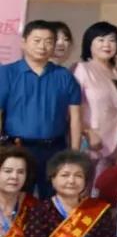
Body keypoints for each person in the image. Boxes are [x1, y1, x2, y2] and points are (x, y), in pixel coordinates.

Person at [0, 21, 81, 198]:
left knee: (53, 199)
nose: (42, 46)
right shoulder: (6, 73)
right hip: (17, 148)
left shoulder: (64, 76)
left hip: (55, 149)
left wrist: (74, 154)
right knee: (17, 198)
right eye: (37, 41)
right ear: (23, 42)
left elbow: (75, 117)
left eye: (48, 41)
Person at [72, 22, 117, 182]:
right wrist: (88, 132)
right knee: (85, 187)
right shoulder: (82, 69)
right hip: (91, 141)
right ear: (89, 43)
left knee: (106, 188)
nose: (107, 45)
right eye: (101, 40)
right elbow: (73, 108)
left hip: (115, 143)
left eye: (112, 40)